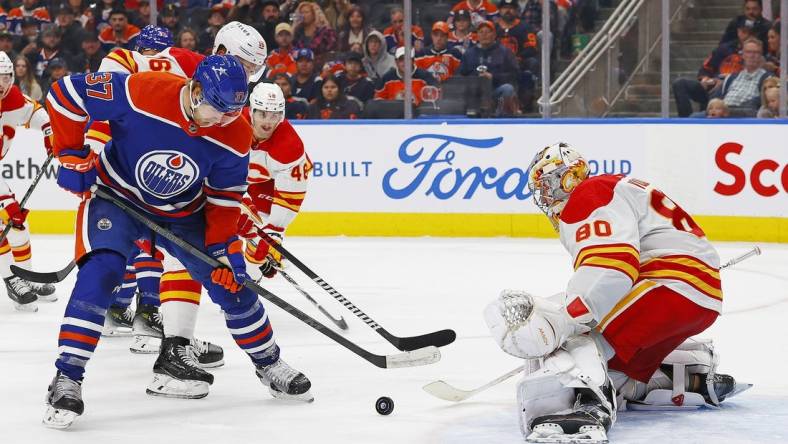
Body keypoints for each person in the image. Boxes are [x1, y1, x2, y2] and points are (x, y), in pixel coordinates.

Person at [42, 54, 312, 430]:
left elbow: (224, 199)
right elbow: (65, 93)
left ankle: (269, 364)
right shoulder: (142, 91)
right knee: (100, 276)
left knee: (234, 286)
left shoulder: (234, 132)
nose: (221, 122)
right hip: (116, 198)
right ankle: (67, 377)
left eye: (231, 114)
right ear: (196, 89)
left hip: (183, 214)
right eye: (216, 111)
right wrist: (71, 155)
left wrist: (224, 250)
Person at [484, 143, 746, 443]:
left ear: (567, 179)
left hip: (668, 285)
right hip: (693, 292)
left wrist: (566, 319)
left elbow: (612, 268)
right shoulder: (609, 188)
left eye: (546, 187)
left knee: (577, 342)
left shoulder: (587, 194)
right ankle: (687, 378)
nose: (545, 198)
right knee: (610, 367)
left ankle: (585, 409)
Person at [89, 23, 267, 362]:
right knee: (172, 256)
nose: (250, 76)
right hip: (138, 176)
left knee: (171, 256)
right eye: (247, 65)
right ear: (221, 53)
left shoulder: (229, 91)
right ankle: (172, 344)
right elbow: (120, 67)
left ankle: (157, 328)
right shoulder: (185, 64)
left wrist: (230, 211)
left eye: (256, 68)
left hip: (176, 185)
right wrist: (94, 145)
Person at [238, 82, 312, 281]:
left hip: (265, 184)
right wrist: (238, 202)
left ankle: (249, 285)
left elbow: (289, 198)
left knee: (259, 241)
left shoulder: (290, 146)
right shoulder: (231, 123)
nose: (268, 122)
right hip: (235, 181)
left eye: (275, 115)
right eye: (262, 113)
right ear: (251, 110)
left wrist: (274, 232)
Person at [0, 50, 56, 311]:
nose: (2, 83)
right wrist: (6, 202)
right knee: (5, 224)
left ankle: (26, 276)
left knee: (17, 225)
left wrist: (49, 133)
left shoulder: (11, 97)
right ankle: (12, 280)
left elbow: (35, 112)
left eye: (6, 77)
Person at [672, 22, 751, 117]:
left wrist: (726, 81)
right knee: (680, 83)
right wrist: (705, 79)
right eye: (743, 31)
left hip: (731, 90)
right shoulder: (725, 49)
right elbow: (706, 68)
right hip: (712, 84)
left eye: (749, 32)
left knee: (717, 94)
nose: (745, 35)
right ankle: (686, 122)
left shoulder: (756, 54)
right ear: (738, 32)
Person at [459, 20, 520, 116]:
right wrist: (476, 78)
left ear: (494, 34)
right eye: (481, 32)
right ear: (477, 35)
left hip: (496, 91)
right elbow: (461, 74)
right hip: (475, 94)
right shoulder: (469, 54)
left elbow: (514, 75)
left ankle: (500, 117)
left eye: (488, 32)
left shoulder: (505, 52)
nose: (484, 35)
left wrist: (493, 77)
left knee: (508, 89)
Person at [716, 38, 771, 115]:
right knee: (696, 116)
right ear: (743, 55)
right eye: (748, 52)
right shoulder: (730, 77)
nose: (752, 55)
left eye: (756, 52)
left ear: (761, 56)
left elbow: (764, 103)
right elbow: (717, 98)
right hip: (721, 114)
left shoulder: (767, 79)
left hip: (746, 116)